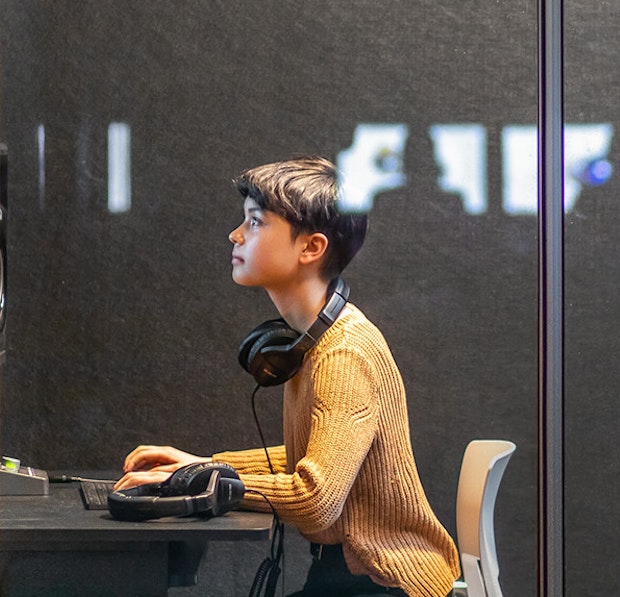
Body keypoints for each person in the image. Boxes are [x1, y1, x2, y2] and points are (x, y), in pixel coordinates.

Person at [117, 157, 461, 597]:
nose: (235, 235)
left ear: (310, 248)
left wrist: (199, 482)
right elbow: (315, 455)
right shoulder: (312, 341)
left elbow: (317, 501)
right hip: (346, 579)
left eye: (255, 223)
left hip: (383, 582)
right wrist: (202, 465)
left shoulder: (342, 354)